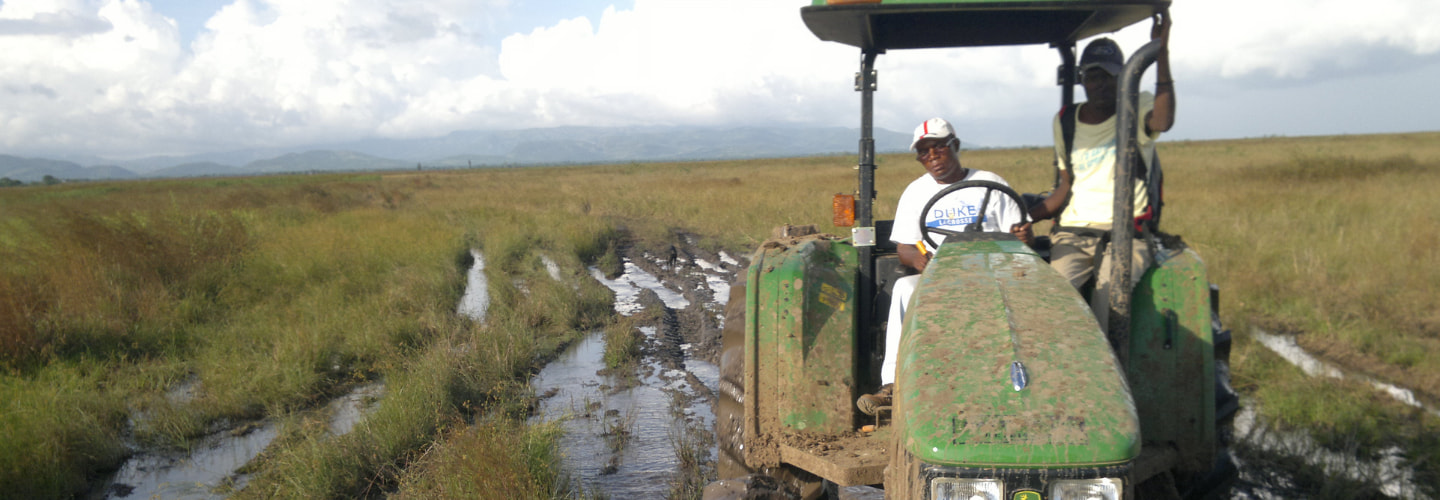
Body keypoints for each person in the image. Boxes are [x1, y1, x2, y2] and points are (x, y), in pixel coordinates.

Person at [857, 117, 1033, 416]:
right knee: (903, 288)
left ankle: (1024, 383)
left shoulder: (991, 184)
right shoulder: (915, 192)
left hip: (994, 273)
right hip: (941, 275)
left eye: (938, 148)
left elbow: (1020, 235)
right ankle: (892, 384)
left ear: (956, 146)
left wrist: (1024, 236)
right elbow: (904, 246)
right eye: (924, 153)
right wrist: (917, 259)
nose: (932, 158)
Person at [1027, 11, 1175, 329]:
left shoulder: (1137, 107)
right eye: (1092, 76)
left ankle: (1108, 373)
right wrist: (1026, 216)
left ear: (1124, 77)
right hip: (1073, 233)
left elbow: (1162, 121)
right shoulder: (1066, 120)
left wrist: (1160, 53)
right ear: (1082, 79)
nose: (1100, 84)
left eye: (1108, 76)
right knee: (1054, 303)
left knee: (1108, 304)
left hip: (1126, 234)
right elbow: (1065, 187)